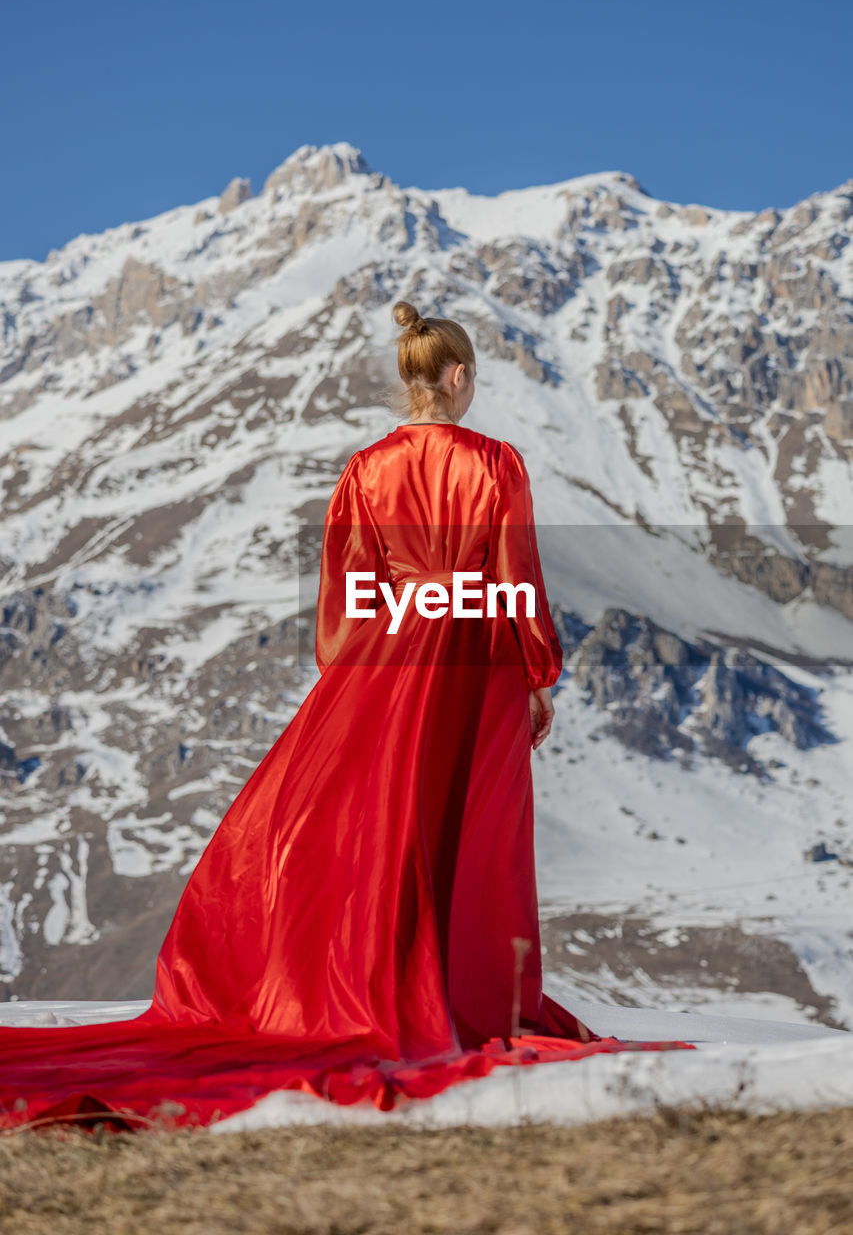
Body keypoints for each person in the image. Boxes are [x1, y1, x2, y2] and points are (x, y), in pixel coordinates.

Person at [0, 302, 693, 1131]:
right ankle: (451, 996)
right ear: (458, 377)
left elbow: (344, 591)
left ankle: (364, 982)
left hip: (383, 658)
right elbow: (514, 572)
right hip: (473, 663)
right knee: (464, 839)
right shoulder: (496, 463)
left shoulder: (364, 469)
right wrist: (536, 671)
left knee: (380, 831)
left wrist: (354, 678)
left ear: (410, 377)